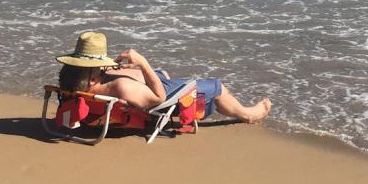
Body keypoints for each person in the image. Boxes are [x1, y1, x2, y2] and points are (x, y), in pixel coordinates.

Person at [55, 32, 271, 124]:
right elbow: (158, 98)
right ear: (92, 76)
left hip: (145, 87)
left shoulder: (74, 82)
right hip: (165, 96)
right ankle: (248, 114)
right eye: (99, 67)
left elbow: (100, 79)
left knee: (163, 74)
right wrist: (143, 63)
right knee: (216, 87)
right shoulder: (121, 88)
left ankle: (161, 75)